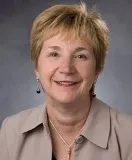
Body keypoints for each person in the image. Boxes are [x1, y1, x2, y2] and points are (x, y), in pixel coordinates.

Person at [0, 2, 132, 160]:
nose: (66, 68)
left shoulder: (128, 135)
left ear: (98, 68)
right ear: (36, 66)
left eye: (80, 56)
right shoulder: (11, 132)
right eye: (54, 54)